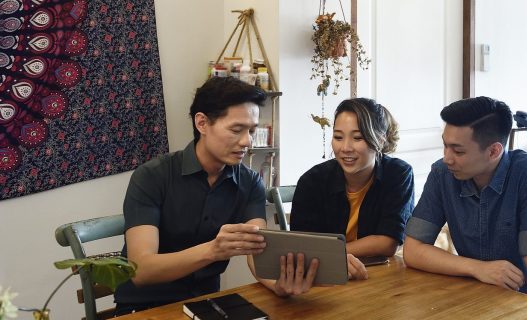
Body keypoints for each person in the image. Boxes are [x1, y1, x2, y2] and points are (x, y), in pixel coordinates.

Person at [114, 77, 314, 314]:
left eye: (251, 130)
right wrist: (212, 250)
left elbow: (256, 253)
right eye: (236, 130)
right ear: (202, 123)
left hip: (210, 304)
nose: (247, 141)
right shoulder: (152, 176)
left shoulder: (250, 182)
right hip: (145, 307)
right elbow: (140, 270)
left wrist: (278, 285)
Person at [402, 96, 527, 304]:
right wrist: (478, 268)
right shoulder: (442, 174)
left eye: (458, 151)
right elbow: (413, 251)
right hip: (473, 291)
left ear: (494, 151)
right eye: (445, 146)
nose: (447, 158)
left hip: (523, 296)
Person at [284, 98, 414, 283]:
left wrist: (328, 252)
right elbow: (304, 247)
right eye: (338, 137)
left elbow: (387, 243)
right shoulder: (312, 181)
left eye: (357, 138)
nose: (345, 148)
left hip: (380, 274)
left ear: (380, 139)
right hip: (323, 276)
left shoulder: (398, 173)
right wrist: (330, 257)